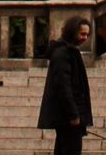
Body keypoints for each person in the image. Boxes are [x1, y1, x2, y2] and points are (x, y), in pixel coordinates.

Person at [38, 14, 94, 155]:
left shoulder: (69, 51)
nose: (85, 38)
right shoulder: (62, 53)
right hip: (67, 117)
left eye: (87, 35)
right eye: (82, 34)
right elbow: (63, 87)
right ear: (73, 32)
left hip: (69, 116)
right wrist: (73, 115)